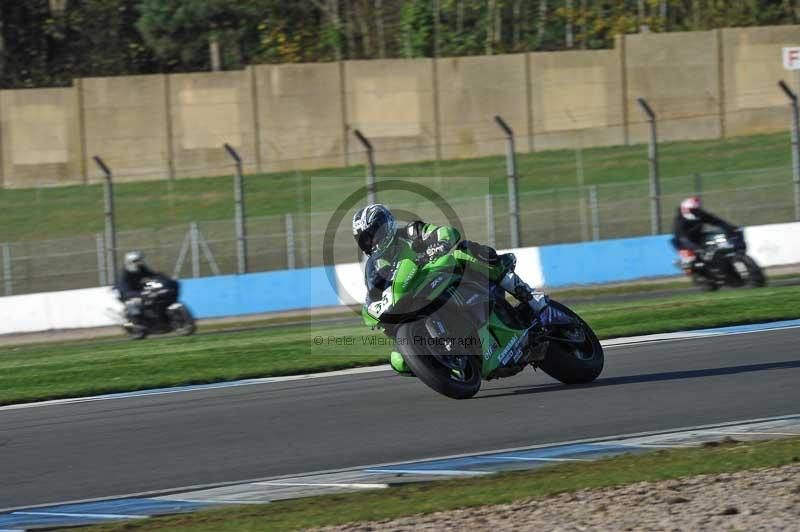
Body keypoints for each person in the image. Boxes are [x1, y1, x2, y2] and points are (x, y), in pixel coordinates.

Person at [352, 204, 547, 374]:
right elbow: (375, 289)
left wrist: (440, 243)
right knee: (399, 360)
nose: (373, 241)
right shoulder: (375, 266)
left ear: (387, 225)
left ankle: (530, 297)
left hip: (444, 274)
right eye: (367, 239)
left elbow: (445, 232)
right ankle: (444, 355)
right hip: (417, 296)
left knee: (464, 252)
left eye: (375, 233)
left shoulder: (410, 233)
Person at [672, 196, 738, 270]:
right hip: (683, 244)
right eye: (693, 210)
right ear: (686, 210)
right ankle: (689, 264)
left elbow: (716, 221)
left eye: (696, 209)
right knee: (691, 261)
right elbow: (683, 239)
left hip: (699, 237)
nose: (696, 212)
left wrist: (730, 227)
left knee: (715, 239)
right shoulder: (679, 222)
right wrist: (698, 249)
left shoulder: (700, 214)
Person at [116, 250, 157, 324]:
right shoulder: (124, 275)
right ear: (130, 262)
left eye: (139, 260)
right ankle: (137, 321)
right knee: (134, 302)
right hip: (127, 293)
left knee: (155, 292)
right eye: (136, 261)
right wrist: (141, 294)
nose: (139, 262)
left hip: (140, 289)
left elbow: (152, 275)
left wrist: (161, 277)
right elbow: (126, 292)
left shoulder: (141, 268)